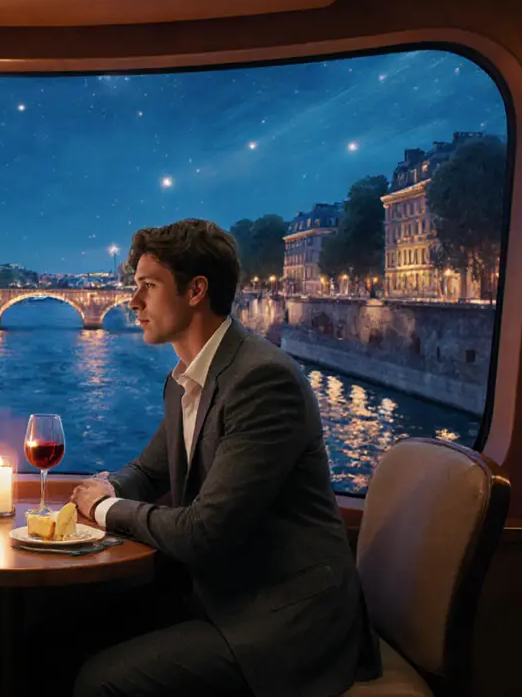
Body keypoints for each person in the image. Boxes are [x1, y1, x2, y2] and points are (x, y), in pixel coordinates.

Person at [68, 219, 381, 697]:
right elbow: (149, 471)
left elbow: (204, 532)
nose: (133, 302)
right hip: (221, 597)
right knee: (58, 634)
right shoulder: (185, 379)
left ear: (196, 290)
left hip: (286, 623)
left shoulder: (262, 381)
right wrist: (108, 487)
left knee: (100, 683)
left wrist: (103, 508)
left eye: (147, 287)